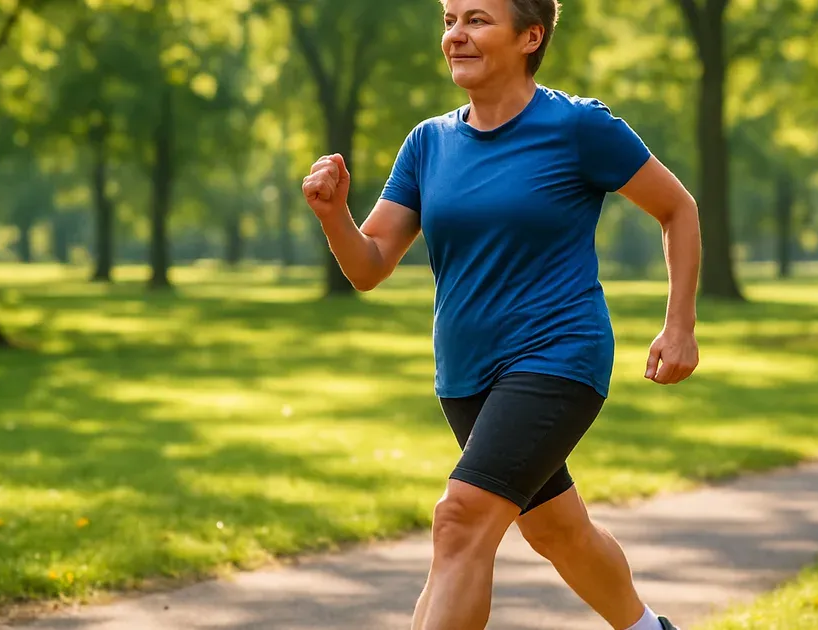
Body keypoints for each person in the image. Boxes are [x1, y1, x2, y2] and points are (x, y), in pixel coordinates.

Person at [300, 0, 701, 628]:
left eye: (477, 20)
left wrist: (679, 328)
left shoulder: (578, 127)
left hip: (558, 356)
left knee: (459, 520)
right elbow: (369, 265)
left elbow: (678, 208)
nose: (456, 36)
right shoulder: (428, 143)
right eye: (449, 20)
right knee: (557, 531)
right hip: (466, 375)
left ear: (529, 36)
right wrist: (333, 216)